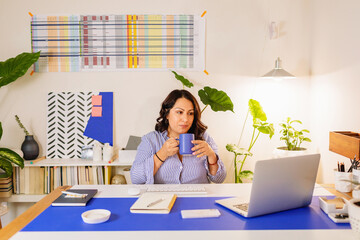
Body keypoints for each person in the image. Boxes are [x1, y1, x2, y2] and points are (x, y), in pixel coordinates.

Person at [130, 89, 226, 184]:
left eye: (190, 113)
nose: (185, 119)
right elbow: (135, 178)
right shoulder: (151, 140)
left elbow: (219, 179)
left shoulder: (204, 138)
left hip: (197, 197)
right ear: (167, 114)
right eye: (179, 112)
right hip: (164, 198)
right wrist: (162, 154)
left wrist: (211, 155)